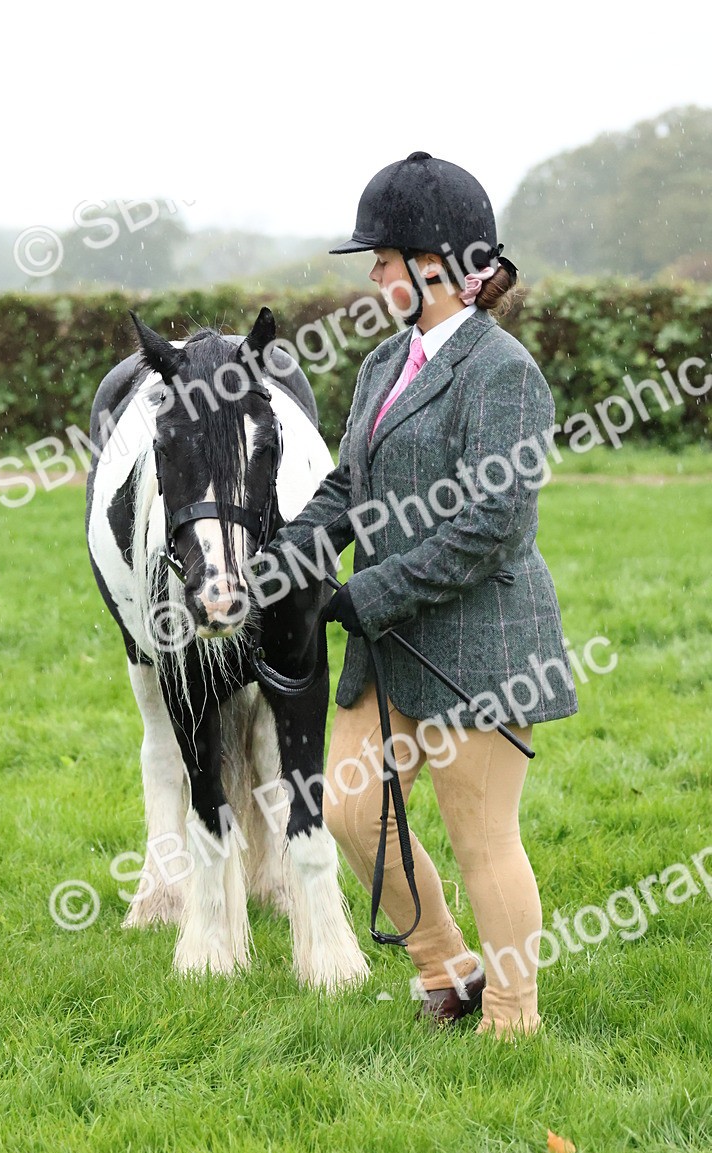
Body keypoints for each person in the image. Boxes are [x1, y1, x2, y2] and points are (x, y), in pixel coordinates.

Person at [266, 151, 577, 1038]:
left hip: (478, 643)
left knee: (481, 837)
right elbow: (349, 483)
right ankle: (447, 967)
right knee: (351, 812)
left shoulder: (502, 371)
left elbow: (493, 525)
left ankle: (512, 1019)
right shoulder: (383, 363)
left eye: (383, 260)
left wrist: (368, 591)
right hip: (389, 643)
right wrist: (292, 550)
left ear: (434, 265)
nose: (373, 277)